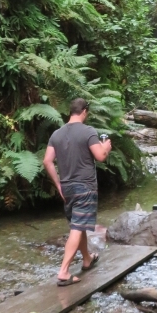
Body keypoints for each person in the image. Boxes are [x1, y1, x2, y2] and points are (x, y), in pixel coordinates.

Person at [43, 97, 112, 286]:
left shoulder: (56, 134)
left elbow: (47, 161)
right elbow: (100, 156)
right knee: (77, 227)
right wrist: (106, 147)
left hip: (67, 187)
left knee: (77, 224)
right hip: (85, 187)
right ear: (84, 112)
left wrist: (58, 184)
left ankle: (87, 259)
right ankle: (64, 271)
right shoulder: (88, 131)